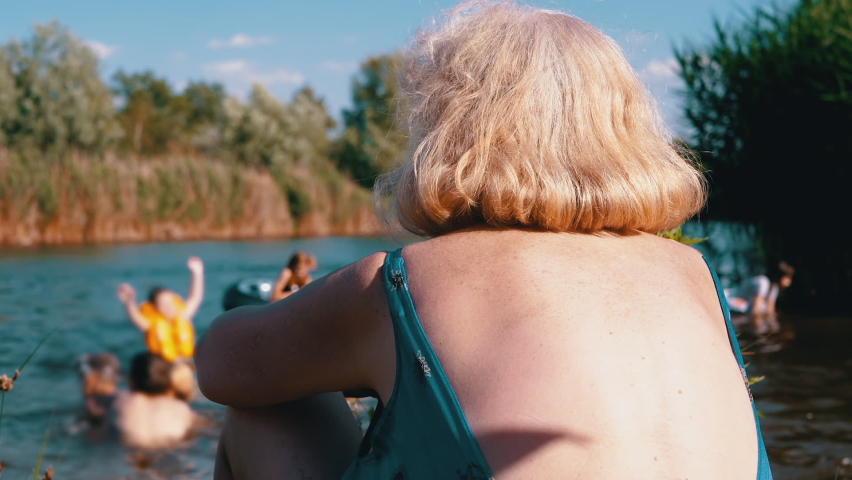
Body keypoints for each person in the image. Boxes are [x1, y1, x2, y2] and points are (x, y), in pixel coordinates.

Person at [196, 2, 773, 479]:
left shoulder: (404, 278)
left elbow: (219, 364)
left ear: (448, 129)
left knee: (266, 407)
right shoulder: (691, 272)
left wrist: (342, 352)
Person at [117, 256, 204, 400]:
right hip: (164, 370)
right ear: (155, 307)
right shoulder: (150, 323)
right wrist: (129, 301)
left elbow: (196, 297)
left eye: (171, 302)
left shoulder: (183, 315)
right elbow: (135, 316)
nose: (169, 306)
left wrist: (197, 273)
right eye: (163, 303)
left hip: (185, 366)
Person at [114, 352, 196, 448]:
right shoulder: (182, 409)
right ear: (170, 384)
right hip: (169, 449)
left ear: (131, 382)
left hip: (128, 447)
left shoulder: (119, 401)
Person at [726, 261, 795, 335]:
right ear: (779, 276)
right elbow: (755, 309)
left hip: (745, 304)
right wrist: (757, 327)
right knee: (751, 310)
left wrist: (772, 326)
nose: (789, 282)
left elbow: (770, 310)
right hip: (730, 298)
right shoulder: (763, 282)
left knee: (763, 309)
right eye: (787, 278)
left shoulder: (774, 288)